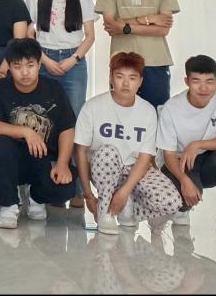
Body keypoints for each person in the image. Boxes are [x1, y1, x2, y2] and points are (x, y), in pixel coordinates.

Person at [74, 52, 182, 234]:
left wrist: (124, 192)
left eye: (132, 78)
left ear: (140, 82)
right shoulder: (93, 106)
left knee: (171, 202)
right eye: (120, 77)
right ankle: (106, 213)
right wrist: (88, 194)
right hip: (104, 167)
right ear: (111, 78)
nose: (126, 84)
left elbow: (145, 157)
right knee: (108, 151)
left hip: (134, 168)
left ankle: (128, 208)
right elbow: (80, 152)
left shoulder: (147, 111)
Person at [0, 38, 78, 229]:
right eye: (17, 66)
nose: (24, 72)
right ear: (9, 67)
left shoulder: (54, 89)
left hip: (44, 158)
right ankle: (9, 204)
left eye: (30, 65)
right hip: (12, 160)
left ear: (39, 64)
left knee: (65, 189)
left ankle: (36, 197)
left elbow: (67, 128)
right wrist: (26, 131)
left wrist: (62, 163)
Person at [157, 55, 216, 236]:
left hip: (209, 160)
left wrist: (197, 144)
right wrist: (184, 181)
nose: (204, 88)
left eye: (209, 81)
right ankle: (181, 209)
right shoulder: (172, 108)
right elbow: (168, 155)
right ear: (187, 81)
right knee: (187, 194)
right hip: (180, 162)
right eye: (196, 81)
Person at [96, 0, 180, 108]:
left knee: (156, 114)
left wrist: (126, 26)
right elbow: (111, 25)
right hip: (122, 63)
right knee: (121, 114)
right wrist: (149, 19)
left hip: (156, 61)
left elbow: (163, 29)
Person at [26, 0, 97, 124]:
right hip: (43, 59)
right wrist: (44, 60)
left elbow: (90, 36)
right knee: (42, 115)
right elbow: (28, 35)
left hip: (74, 62)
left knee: (73, 113)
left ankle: (71, 145)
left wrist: (73, 59)